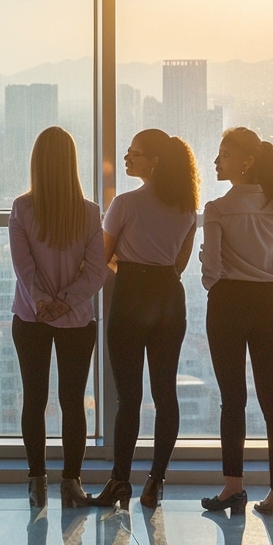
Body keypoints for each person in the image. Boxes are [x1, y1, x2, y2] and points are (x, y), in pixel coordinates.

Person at [89, 129, 198, 509]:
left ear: (153, 161)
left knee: (128, 397)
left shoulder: (126, 202)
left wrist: (129, 260)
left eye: (133, 153)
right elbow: (179, 264)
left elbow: (103, 257)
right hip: (169, 297)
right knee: (165, 393)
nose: (126, 159)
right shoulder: (187, 206)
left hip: (132, 296)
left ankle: (120, 481)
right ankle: (156, 481)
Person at [197, 127, 273, 520]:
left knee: (232, 398)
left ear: (246, 161)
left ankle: (233, 487)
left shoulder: (217, 209)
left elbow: (211, 270)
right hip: (270, 303)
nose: (217, 161)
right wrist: (263, 276)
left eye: (224, 154)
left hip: (227, 302)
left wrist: (213, 272)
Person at [10, 127, 107, 508]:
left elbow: (23, 266)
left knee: (34, 400)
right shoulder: (88, 213)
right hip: (77, 320)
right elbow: (96, 273)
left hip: (30, 318)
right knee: (73, 401)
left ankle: (37, 484)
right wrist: (65, 302)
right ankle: (72, 484)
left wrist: (41, 301)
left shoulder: (22, 208)